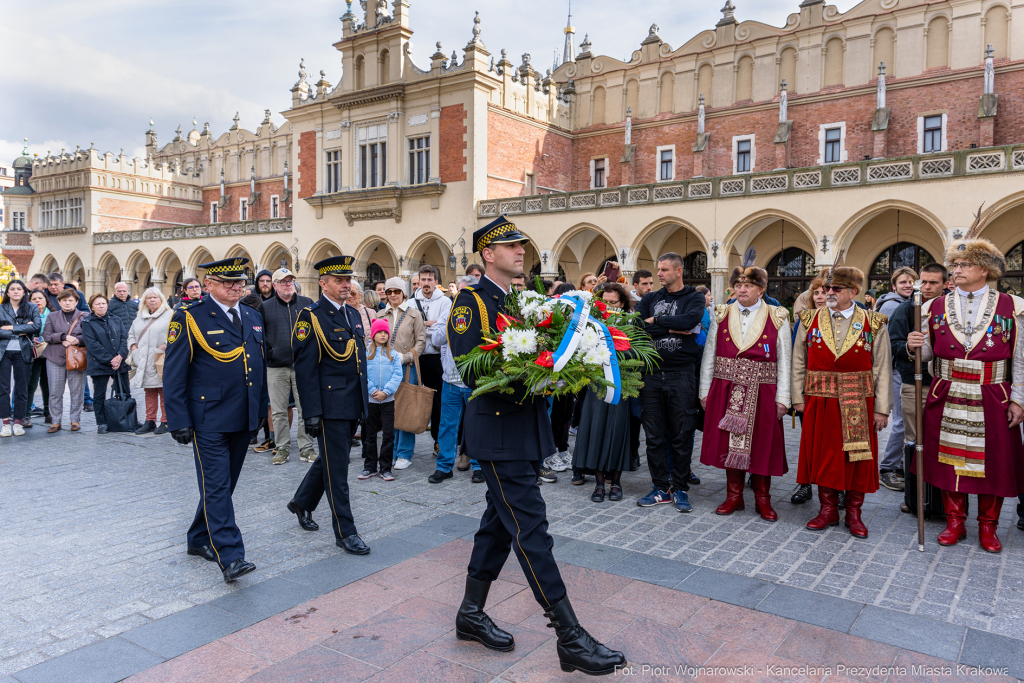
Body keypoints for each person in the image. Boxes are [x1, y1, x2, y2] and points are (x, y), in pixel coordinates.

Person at [449, 215, 625, 675]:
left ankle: (470, 613)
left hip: (522, 431)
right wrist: (535, 377)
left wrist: (556, 373)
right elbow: (470, 371)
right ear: (488, 254)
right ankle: (570, 636)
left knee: (498, 526)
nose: (521, 251)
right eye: (511, 246)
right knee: (531, 530)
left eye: (521, 245)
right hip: (497, 433)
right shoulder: (471, 302)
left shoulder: (518, 300)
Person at [907, 235, 1024, 553]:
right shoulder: (932, 306)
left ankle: (988, 526)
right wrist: (914, 345)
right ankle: (954, 521)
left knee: (993, 462)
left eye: (964, 264)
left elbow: (1021, 358)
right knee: (949, 460)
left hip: (993, 393)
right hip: (946, 391)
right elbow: (927, 355)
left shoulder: (1013, 307)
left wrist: (1019, 399)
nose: (956, 270)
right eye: (955, 264)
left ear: (984, 270)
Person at [164, 257, 269, 583]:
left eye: (240, 282)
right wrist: (177, 419)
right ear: (208, 285)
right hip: (208, 418)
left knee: (222, 486)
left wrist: (261, 409)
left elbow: (258, 366)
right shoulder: (189, 317)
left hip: (243, 415)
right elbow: (174, 373)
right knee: (217, 486)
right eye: (228, 282)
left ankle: (198, 537)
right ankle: (231, 556)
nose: (236, 287)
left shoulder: (251, 315)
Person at [792, 266, 892, 539]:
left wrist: (882, 408)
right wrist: (797, 398)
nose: (829, 293)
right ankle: (828, 510)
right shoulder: (809, 318)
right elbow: (798, 359)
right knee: (824, 456)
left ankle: (854, 512)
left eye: (836, 288)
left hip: (859, 399)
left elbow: (882, 366)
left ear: (853, 291)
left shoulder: (874, 321)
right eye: (827, 288)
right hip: (820, 399)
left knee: (857, 458)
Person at [286, 256, 371, 555]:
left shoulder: (352, 314)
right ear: (323, 284)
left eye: (348, 279)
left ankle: (302, 502)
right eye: (339, 280)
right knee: (338, 472)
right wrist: (311, 413)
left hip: (352, 403)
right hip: (330, 406)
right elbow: (305, 370)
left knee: (332, 460)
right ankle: (345, 532)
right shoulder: (311, 316)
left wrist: (364, 404)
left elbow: (358, 363)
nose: (346, 285)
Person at [699, 262, 791, 521]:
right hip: (726, 388)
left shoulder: (777, 315)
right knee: (729, 444)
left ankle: (763, 499)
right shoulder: (721, 313)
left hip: (764, 390)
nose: (741, 290)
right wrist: (705, 390)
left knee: (763, 444)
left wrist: (784, 397)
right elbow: (710, 353)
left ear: (761, 290)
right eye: (738, 285)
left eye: (748, 285)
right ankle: (734, 496)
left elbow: (785, 359)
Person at [635, 253, 707, 512]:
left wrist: (655, 321)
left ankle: (680, 488)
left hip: (682, 375)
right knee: (654, 436)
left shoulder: (694, 297)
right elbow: (636, 326)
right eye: (659, 269)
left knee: (681, 434)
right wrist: (670, 328)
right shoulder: (650, 298)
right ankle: (659, 488)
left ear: (678, 271)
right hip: (652, 374)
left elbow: (689, 321)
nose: (659, 274)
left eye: (664, 270)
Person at [888, 263, 947, 513]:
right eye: (923, 282)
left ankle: (944, 498)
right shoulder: (906, 309)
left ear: (945, 284)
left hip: (946, 384)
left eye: (933, 282)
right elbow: (892, 344)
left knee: (945, 441)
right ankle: (916, 496)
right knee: (914, 441)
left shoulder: (951, 309)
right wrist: (909, 346)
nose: (927, 287)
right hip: (915, 383)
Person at [572, 283, 635, 503]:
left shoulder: (631, 324)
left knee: (618, 431)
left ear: (623, 303)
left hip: (621, 384)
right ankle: (599, 484)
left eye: (613, 302)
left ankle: (615, 482)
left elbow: (637, 353)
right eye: (604, 302)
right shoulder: (590, 324)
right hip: (595, 385)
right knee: (595, 430)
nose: (608, 306)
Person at [429, 274, 485, 484]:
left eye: (463, 292)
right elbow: (436, 339)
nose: (459, 297)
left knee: (476, 425)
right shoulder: (449, 312)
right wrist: (451, 323)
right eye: (458, 292)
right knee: (447, 425)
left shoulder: (481, 313)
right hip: (451, 380)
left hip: (475, 380)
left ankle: (478, 466)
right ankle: (444, 467)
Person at [259, 268, 314, 465]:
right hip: (276, 366)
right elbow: (260, 336)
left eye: (290, 280)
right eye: (283, 281)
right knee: (278, 410)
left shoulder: (307, 303)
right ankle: (281, 447)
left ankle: (306, 448)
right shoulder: (265, 307)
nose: (288, 284)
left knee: (305, 408)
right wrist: (269, 354)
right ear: (275, 285)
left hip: (302, 366)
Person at [872, 267, 917, 491]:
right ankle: (887, 468)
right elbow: (888, 344)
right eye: (903, 282)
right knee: (901, 421)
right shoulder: (893, 305)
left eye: (911, 282)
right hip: (897, 368)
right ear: (894, 286)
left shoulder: (907, 303)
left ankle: (899, 465)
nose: (908, 285)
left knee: (905, 420)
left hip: (900, 368)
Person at [378, 277, 425, 470]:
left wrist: (405, 358)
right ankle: (391, 450)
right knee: (389, 409)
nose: (392, 295)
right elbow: (373, 339)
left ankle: (404, 453)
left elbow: (421, 342)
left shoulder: (414, 314)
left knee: (406, 408)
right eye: (389, 292)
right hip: (386, 367)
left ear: (403, 293)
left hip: (407, 367)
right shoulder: (381, 314)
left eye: (396, 291)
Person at [413, 265, 452, 463]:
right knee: (413, 400)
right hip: (416, 357)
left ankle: (438, 441)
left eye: (430, 279)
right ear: (419, 281)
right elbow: (410, 329)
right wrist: (430, 324)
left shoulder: (445, 301)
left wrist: (424, 325)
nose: (426, 283)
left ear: (436, 282)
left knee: (438, 402)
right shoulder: (411, 302)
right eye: (423, 279)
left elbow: (444, 328)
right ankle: (405, 446)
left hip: (436, 358)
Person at [81, 293, 131, 435]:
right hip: (99, 363)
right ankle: (102, 422)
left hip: (120, 361)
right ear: (92, 307)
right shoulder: (87, 322)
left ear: (107, 305)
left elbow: (124, 338)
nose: (101, 306)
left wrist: (120, 356)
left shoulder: (116, 319)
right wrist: (111, 360)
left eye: (103, 303)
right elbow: (92, 344)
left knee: (124, 391)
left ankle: (127, 419)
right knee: (99, 395)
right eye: (97, 304)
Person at [361, 318, 402, 480]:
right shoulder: (366, 354)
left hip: (387, 401)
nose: (383, 335)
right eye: (379, 332)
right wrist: (372, 390)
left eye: (385, 332)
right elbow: (363, 374)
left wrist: (386, 391)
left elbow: (397, 375)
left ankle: (385, 468)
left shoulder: (393, 354)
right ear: (373, 335)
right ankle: (370, 466)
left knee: (388, 435)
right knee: (370, 435)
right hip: (371, 401)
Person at [127, 287, 172, 435]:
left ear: (161, 299)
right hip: (143, 359)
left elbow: (175, 334)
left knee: (163, 391)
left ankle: (165, 421)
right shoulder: (139, 317)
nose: (152, 300)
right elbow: (131, 334)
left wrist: (164, 346)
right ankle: (150, 420)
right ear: (145, 301)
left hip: (161, 359)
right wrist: (133, 347)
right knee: (149, 391)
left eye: (155, 297)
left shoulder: (170, 315)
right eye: (149, 297)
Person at [0, 280, 42, 436]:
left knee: (21, 388)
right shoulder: (1, 308)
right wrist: (23, 329)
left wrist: (11, 327)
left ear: (24, 292)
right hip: (3, 352)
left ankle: (18, 422)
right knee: (3, 388)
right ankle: (5, 423)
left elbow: (36, 327)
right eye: (12, 289)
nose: (16, 291)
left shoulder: (32, 307)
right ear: (8, 292)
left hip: (23, 351)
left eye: (19, 288)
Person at [43, 289, 87, 433]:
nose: (67, 303)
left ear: (76, 302)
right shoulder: (52, 316)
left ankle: (75, 420)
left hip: (77, 357)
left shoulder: (85, 316)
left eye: (70, 300)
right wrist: (63, 337)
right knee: (55, 391)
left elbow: (90, 335)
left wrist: (77, 340)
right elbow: (46, 335)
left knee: (77, 390)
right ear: (59, 302)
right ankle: (56, 421)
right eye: (64, 300)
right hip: (55, 357)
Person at [27, 290, 52, 426]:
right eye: (34, 299)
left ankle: (48, 413)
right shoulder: (26, 314)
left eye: (40, 298)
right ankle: (26, 415)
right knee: (31, 384)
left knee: (47, 384)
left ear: (46, 300)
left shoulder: (53, 314)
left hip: (49, 353)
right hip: (32, 353)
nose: (37, 301)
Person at [348, 281, 377, 346]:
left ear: (360, 295)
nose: (350, 296)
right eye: (347, 293)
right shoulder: (341, 312)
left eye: (353, 293)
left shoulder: (370, 313)